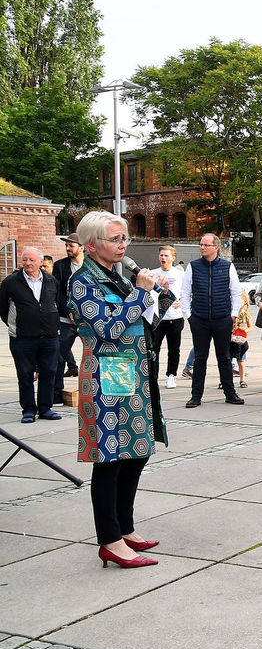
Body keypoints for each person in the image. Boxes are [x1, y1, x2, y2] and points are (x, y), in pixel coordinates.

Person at [69, 211, 174, 569]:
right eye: (115, 239)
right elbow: (108, 328)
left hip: (134, 370)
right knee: (110, 459)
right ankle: (110, 539)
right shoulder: (83, 282)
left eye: (124, 238)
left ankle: (125, 528)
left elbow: (148, 318)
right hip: (107, 374)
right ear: (91, 244)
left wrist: (155, 299)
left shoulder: (119, 277)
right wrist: (140, 295)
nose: (123, 245)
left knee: (137, 451)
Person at [0, 246, 63, 423]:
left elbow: (56, 304)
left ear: (41, 262)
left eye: (31, 260)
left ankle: (45, 408)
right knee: (25, 374)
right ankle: (28, 409)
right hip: (22, 338)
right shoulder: (11, 282)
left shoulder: (51, 281)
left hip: (49, 337)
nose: (27, 263)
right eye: (25, 259)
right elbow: (3, 309)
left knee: (49, 372)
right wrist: (18, 326)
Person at [180, 233, 243, 408]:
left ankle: (230, 393)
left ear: (216, 247)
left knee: (224, 358)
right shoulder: (193, 266)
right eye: (201, 244)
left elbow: (236, 292)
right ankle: (196, 396)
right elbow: (185, 293)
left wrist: (233, 314)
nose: (202, 247)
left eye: (206, 245)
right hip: (199, 320)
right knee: (200, 358)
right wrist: (189, 316)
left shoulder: (227, 266)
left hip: (222, 319)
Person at [149, 245, 185, 390]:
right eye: (161, 255)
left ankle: (171, 375)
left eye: (166, 255)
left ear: (173, 258)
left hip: (175, 317)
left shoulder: (180, 274)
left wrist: (182, 302)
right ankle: (154, 376)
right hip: (157, 318)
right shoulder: (153, 273)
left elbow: (188, 291)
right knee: (154, 348)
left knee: (174, 348)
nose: (163, 258)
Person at [51, 234, 84, 387]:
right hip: (66, 320)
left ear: (81, 247)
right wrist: (68, 311)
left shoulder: (92, 265)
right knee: (58, 356)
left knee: (96, 356)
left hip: (88, 321)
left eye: (71, 245)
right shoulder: (60, 266)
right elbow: (58, 293)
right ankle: (56, 394)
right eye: (67, 245)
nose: (68, 248)